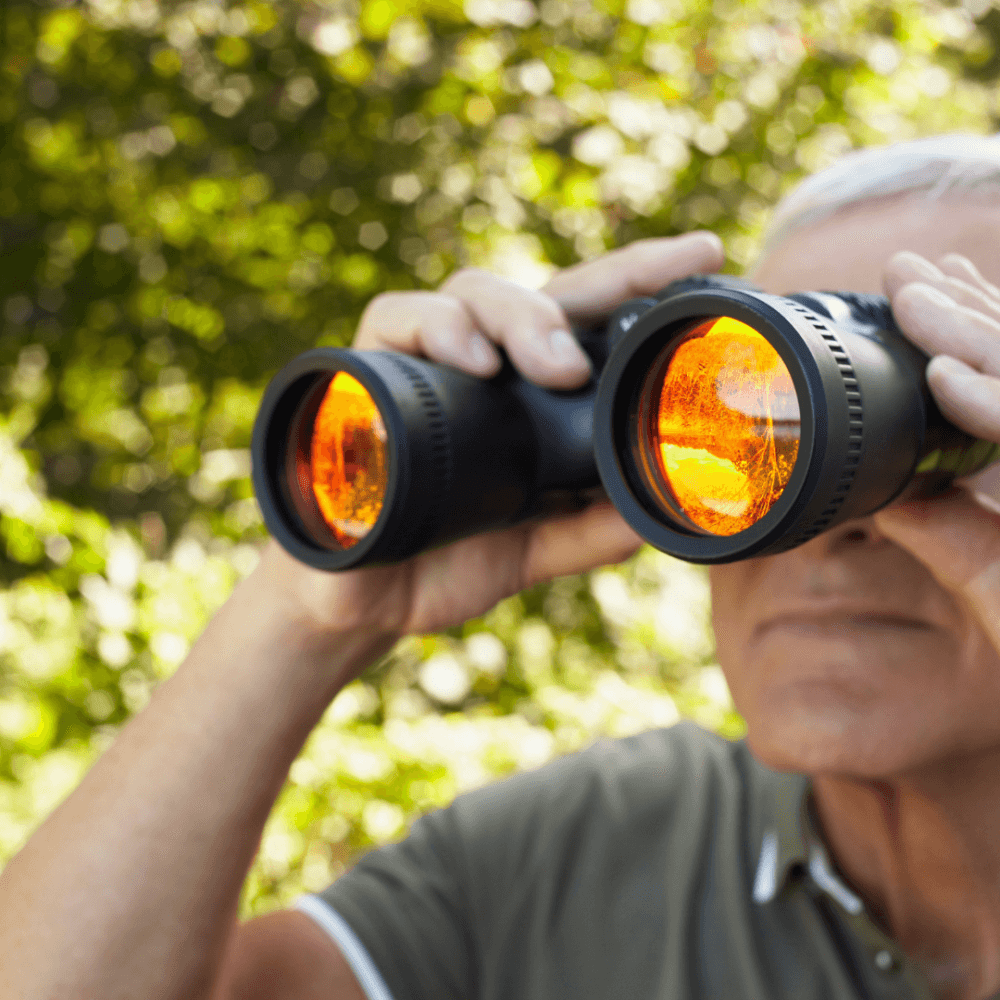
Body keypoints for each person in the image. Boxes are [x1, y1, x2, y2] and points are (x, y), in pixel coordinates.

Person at [1, 134, 999, 1000]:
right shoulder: (588, 853)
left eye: (936, 422)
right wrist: (304, 616)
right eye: (739, 421)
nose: (821, 524)